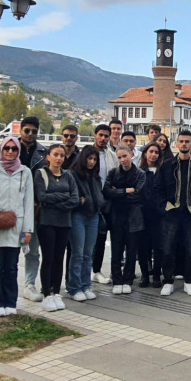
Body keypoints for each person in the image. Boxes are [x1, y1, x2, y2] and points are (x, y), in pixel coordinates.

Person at [0, 137, 35, 317]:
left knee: (11, 265)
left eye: (14, 149)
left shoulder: (25, 172)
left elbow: (28, 202)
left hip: (16, 225)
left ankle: (10, 301)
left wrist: (28, 229)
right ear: (1, 150)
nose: (10, 152)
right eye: (7, 149)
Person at [156, 131, 191, 296]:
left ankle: (189, 281)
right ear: (177, 144)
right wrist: (163, 206)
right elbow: (158, 189)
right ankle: (168, 281)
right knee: (167, 248)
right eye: (182, 141)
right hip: (171, 213)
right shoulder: (166, 165)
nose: (184, 144)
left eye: (187, 141)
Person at [34, 144, 80, 312]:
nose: (59, 158)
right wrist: (63, 197)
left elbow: (74, 199)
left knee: (60, 258)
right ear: (48, 157)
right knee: (48, 257)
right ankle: (46, 293)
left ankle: (55, 292)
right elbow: (41, 197)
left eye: (61, 155)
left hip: (64, 222)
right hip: (47, 222)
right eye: (55, 155)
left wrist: (55, 200)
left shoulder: (69, 176)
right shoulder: (41, 174)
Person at [104, 145, 147, 294]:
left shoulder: (140, 174)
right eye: (120, 157)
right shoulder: (113, 172)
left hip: (134, 216)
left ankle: (128, 280)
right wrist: (126, 191)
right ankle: (117, 280)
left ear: (131, 154)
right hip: (116, 216)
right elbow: (107, 192)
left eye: (125, 156)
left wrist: (118, 193)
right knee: (116, 251)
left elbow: (139, 195)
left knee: (131, 251)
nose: (123, 160)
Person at [15, 116, 48, 303]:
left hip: (35, 208)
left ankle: (29, 284)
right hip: (12, 208)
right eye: (26, 131)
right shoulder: (9, 149)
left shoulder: (44, 153)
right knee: (10, 248)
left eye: (33, 131)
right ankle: (9, 284)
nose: (30, 135)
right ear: (20, 131)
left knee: (32, 250)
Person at [66, 145, 105, 301]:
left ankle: (85, 285)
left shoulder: (95, 177)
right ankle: (74, 287)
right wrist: (80, 201)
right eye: (90, 158)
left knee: (89, 254)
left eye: (95, 159)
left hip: (94, 215)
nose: (92, 162)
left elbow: (99, 194)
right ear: (83, 158)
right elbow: (69, 196)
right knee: (78, 254)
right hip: (78, 215)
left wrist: (99, 203)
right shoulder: (72, 174)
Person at [137, 142, 165, 288]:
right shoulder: (139, 171)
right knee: (143, 247)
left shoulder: (163, 171)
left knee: (158, 246)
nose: (153, 154)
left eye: (156, 152)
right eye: (151, 151)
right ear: (145, 153)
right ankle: (144, 275)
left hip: (159, 215)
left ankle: (156, 275)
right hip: (143, 213)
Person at [91, 124, 117, 285]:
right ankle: (92, 270)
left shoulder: (111, 156)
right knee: (93, 239)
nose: (103, 139)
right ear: (95, 135)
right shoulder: (87, 154)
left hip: (109, 201)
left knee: (106, 237)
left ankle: (99, 270)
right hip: (92, 201)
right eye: (100, 135)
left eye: (106, 136)